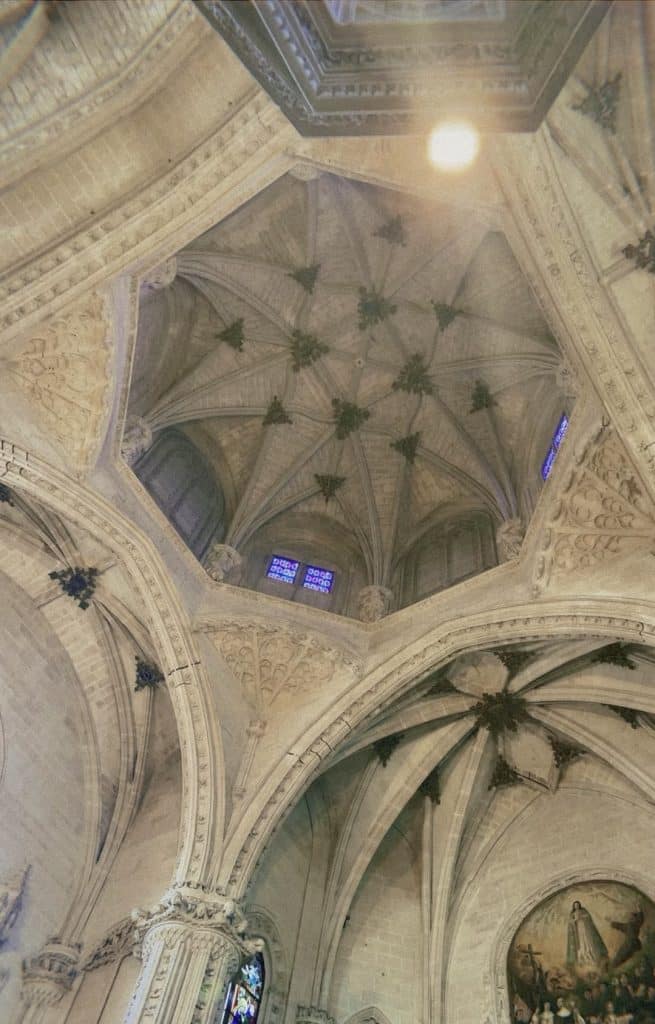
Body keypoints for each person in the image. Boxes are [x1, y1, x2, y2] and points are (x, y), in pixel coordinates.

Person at [567, 902, 610, 974]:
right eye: (575, 905)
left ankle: (590, 954)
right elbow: (571, 922)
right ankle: (583, 957)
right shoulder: (572, 914)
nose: (576, 906)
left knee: (587, 941)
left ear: (579, 905)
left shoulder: (583, 911)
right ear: (574, 906)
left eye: (577, 905)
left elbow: (588, 917)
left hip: (585, 929)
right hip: (577, 931)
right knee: (581, 943)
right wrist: (575, 920)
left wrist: (582, 917)